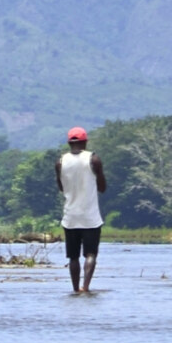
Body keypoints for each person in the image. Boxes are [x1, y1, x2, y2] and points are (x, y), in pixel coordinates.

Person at [59, 126, 108, 294]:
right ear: (85, 142)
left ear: (69, 143)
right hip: (90, 216)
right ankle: (85, 287)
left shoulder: (61, 162)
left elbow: (61, 186)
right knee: (90, 254)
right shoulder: (93, 159)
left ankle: (74, 289)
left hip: (70, 216)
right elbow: (102, 187)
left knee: (73, 257)